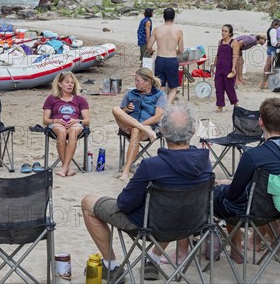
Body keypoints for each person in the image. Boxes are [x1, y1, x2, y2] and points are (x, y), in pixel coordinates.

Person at [82, 104, 212, 281]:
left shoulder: (152, 165)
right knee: (172, 204)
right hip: (190, 223)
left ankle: (110, 266)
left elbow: (124, 204)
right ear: (193, 131)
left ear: (163, 131)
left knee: (88, 202)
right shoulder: (205, 162)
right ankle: (153, 259)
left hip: (151, 227)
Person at [213, 97, 280, 263]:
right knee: (263, 195)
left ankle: (235, 248)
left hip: (252, 212)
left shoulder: (254, 156)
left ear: (260, 122)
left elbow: (233, 194)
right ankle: (277, 241)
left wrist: (222, 186)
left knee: (217, 195)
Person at [112, 68, 167, 181]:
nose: (135, 83)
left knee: (136, 130)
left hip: (148, 128)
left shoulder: (159, 95)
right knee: (115, 109)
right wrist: (127, 109)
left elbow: (157, 117)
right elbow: (121, 113)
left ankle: (126, 171)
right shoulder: (130, 94)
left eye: (138, 80)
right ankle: (141, 128)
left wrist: (138, 125)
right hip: (128, 127)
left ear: (148, 81)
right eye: (135, 80)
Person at [42, 71, 90, 177]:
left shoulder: (80, 99)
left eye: (72, 83)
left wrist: (77, 121)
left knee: (73, 131)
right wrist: (55, 121)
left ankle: (64, 168)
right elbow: (45, 120)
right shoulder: (51, 99)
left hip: (75, 124)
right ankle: (67, 167)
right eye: (67, 82)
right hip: (57, 124)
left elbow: (87, 121)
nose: (70, 85)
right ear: (59, 84)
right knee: (61, 131)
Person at [146, 7, 184, 104]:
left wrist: (151, 51)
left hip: (160, 59)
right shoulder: (178, 31)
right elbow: (181, 49)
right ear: (174, 17)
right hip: (171, 60)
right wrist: (175, 52)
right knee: (173, 87)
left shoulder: (157, 29)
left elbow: (149, 46)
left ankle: (161, 106)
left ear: (163, 17)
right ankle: (167, 106)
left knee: (160, 85)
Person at [212, 24, 240, 113]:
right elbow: (217, 55)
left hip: (228, 68)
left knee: (229, 88)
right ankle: (220, 106)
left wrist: (233, 67)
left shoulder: (234, 42)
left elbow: (235, 56)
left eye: (225, 31)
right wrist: (213, 65)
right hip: (219, 68)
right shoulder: (220, 42)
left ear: (230, 33)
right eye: (222, 31)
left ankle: (235, 104)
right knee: (218, 88)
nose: (223, 33)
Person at [260, 18, 280, 89]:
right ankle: (264, 81)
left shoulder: (270, 29)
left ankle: (266, 80)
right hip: (272, 48)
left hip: (270, 48)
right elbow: (273, 42)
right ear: (277, 25)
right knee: (269, 64)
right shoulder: (273, 30)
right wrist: (279, 42)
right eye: (279, 26)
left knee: (269, 65)